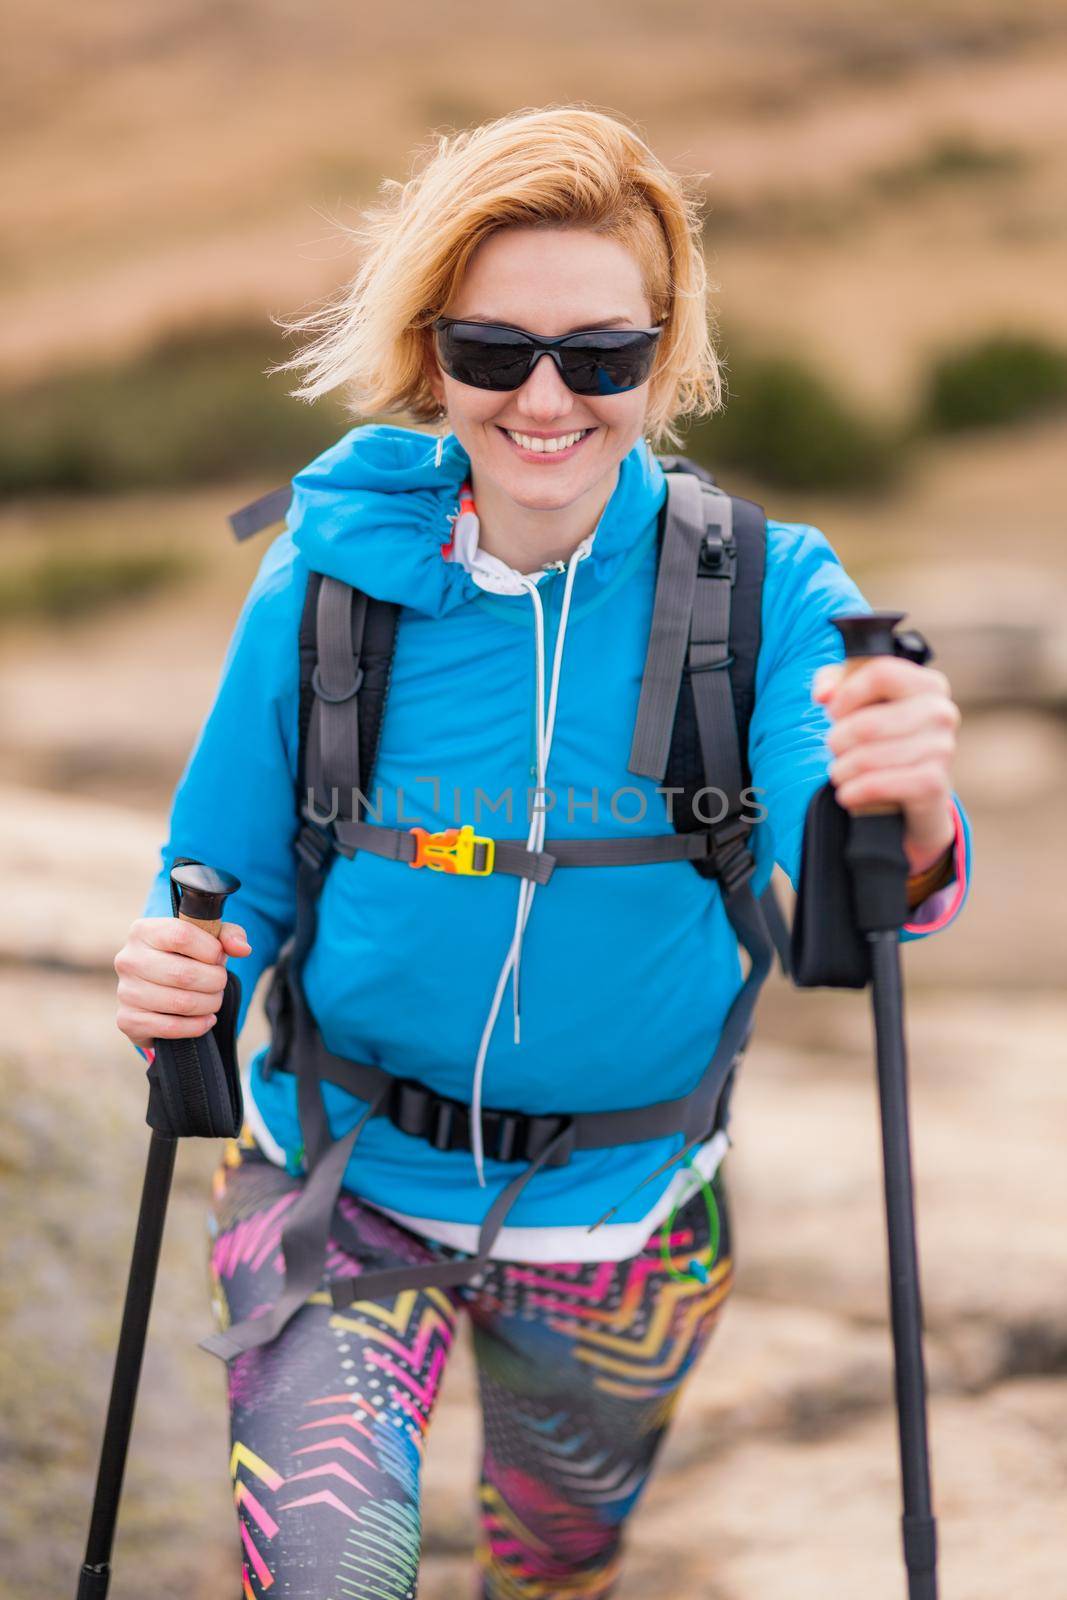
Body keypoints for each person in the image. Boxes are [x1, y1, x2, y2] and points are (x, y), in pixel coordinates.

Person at [113, 107, 971, 1600]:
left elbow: (850, 887)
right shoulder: (326, 579)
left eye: (604, 353)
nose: (547, 398)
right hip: (334, 1184)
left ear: (665, 349)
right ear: (430, 351)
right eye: (494, 351)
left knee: (553, 1579)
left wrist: (906, 799)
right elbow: (221, 875)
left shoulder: (767, 594)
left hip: (631, 1220)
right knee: (323, 1577)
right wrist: (174, 960)